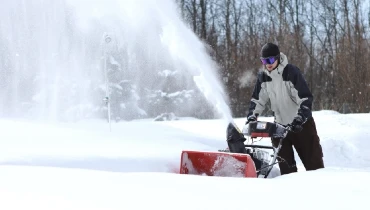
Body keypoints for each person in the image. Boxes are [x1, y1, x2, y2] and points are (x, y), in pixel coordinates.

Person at [245, 42, 324, 175]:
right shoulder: (263, 77)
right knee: (287, 171)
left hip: (302, 126)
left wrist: (300, 118)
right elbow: (257, 100)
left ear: (277, 58)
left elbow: (305, 98)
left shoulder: (291, 72)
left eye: (270, 60)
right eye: (264, 60)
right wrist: (252, 116)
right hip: (280, 128)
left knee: (314, 167)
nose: (268, 64)